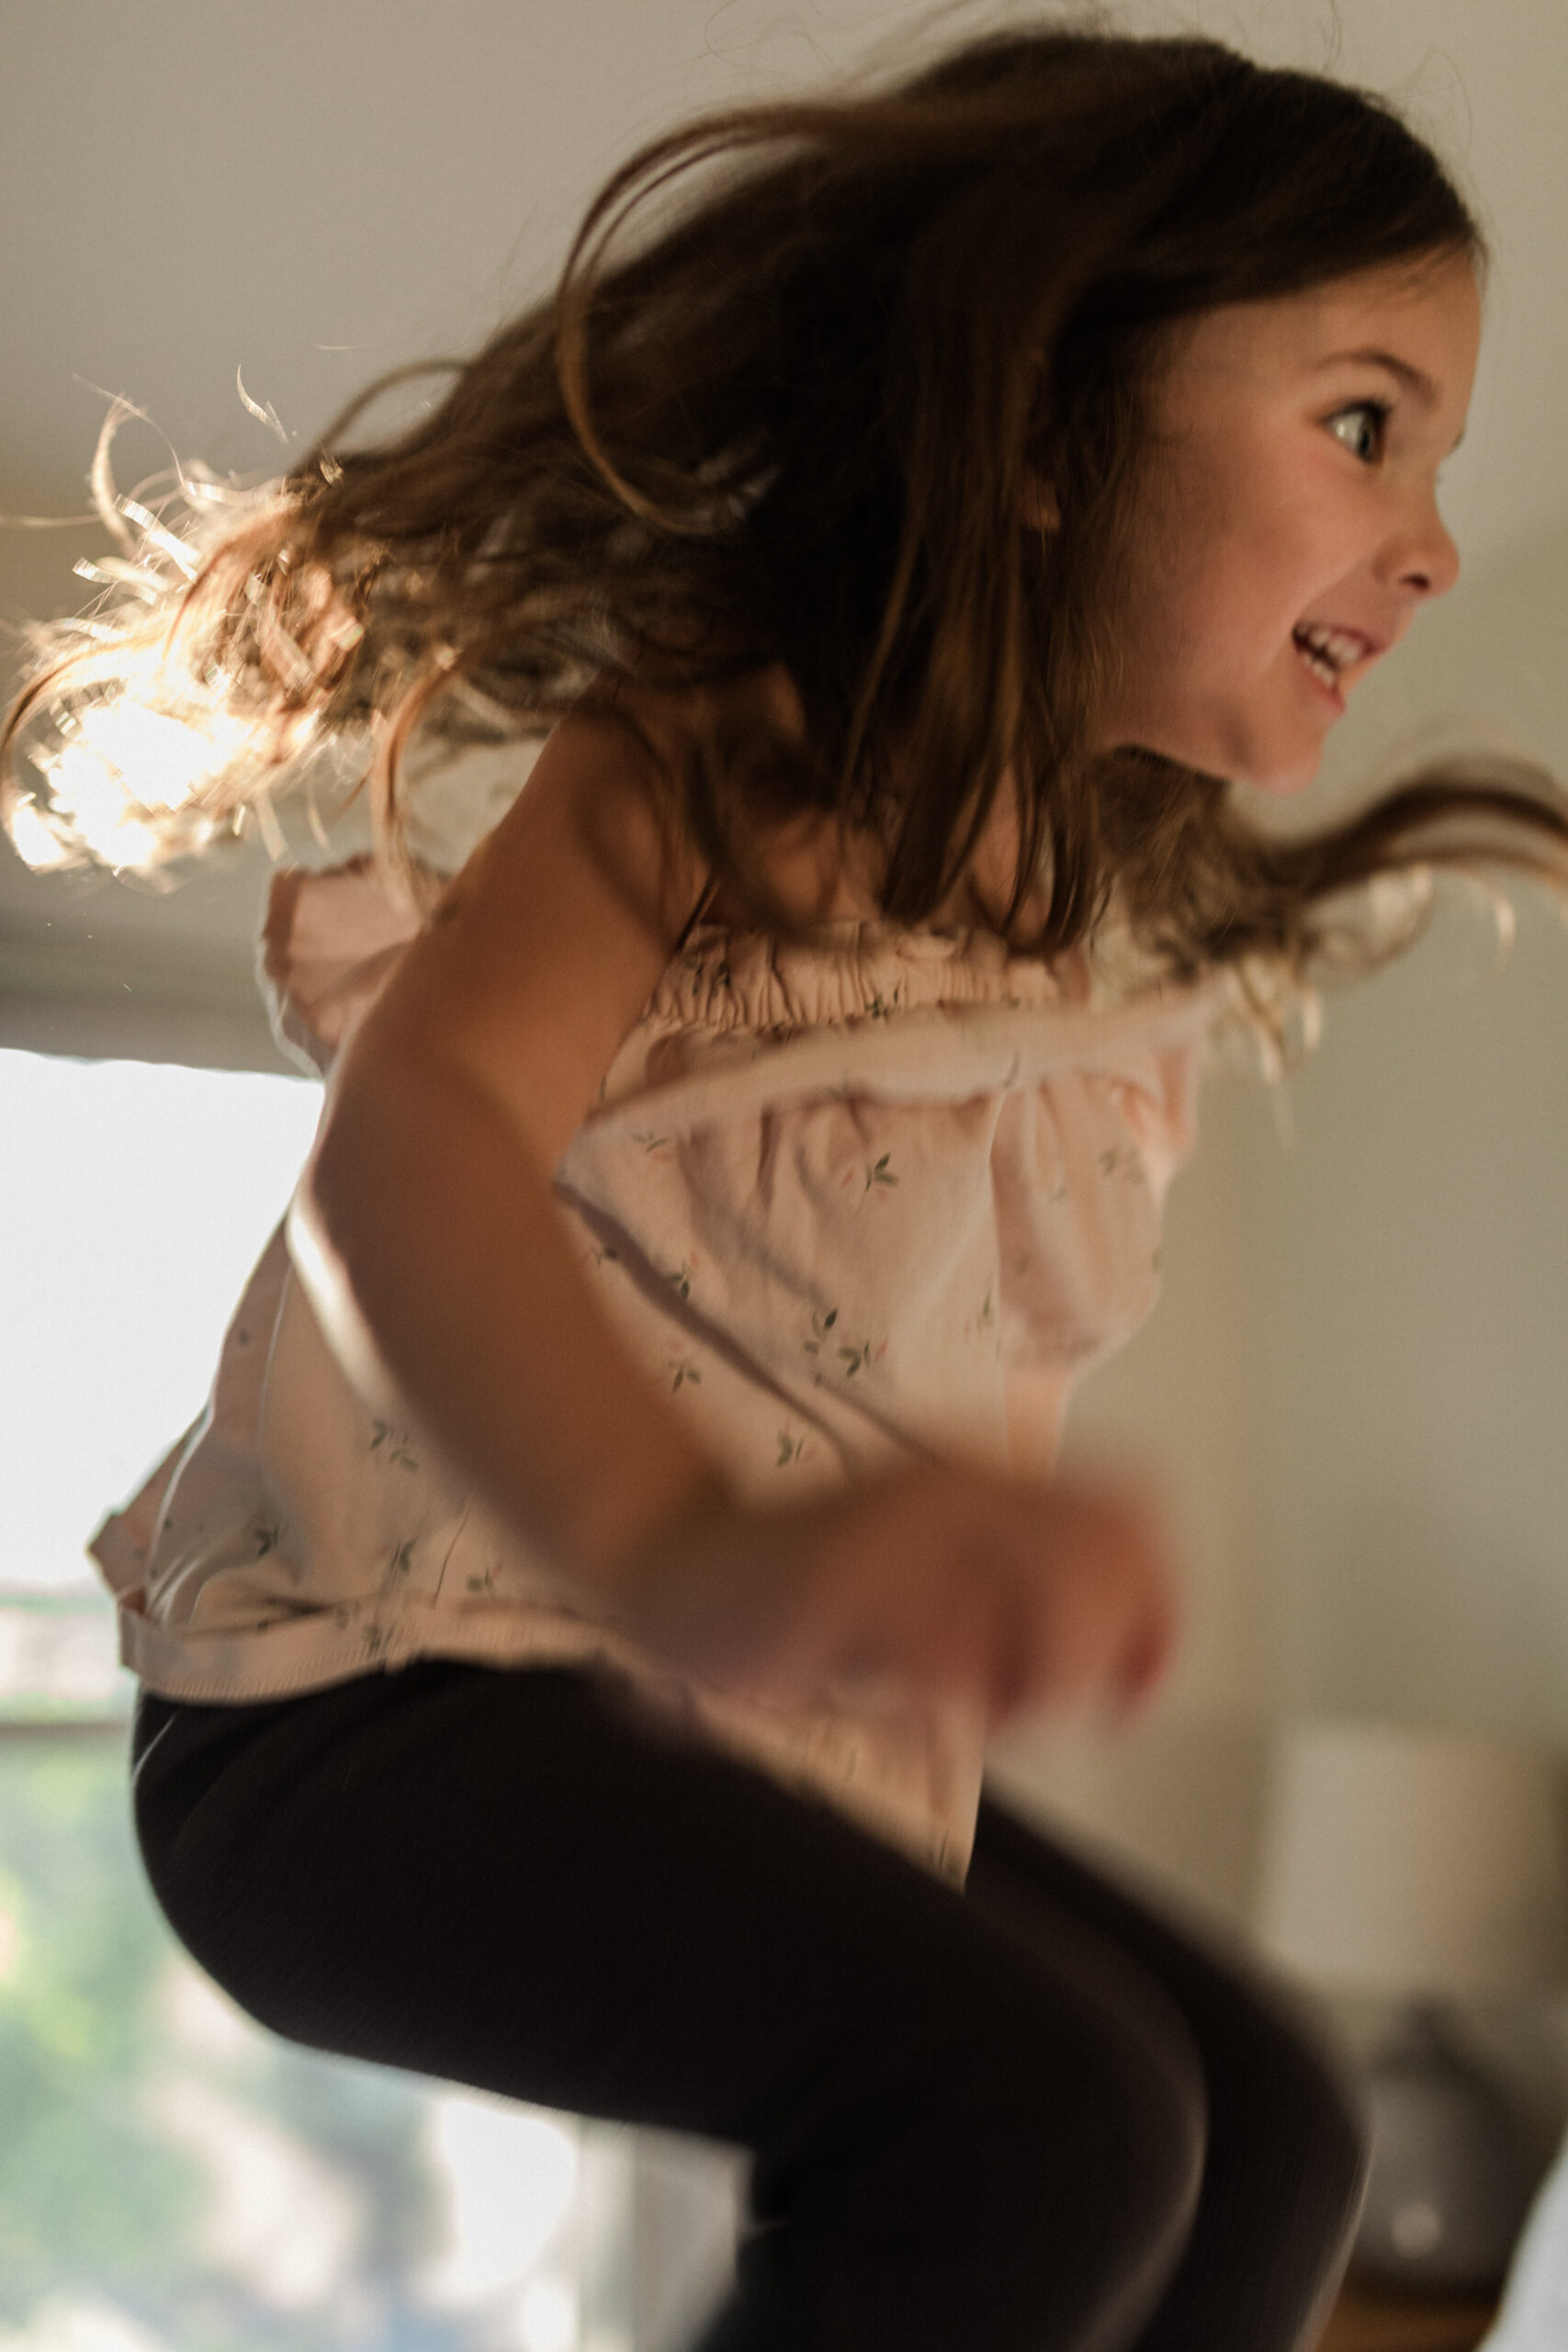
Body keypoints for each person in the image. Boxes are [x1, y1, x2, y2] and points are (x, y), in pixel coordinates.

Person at [7, 23, 1567, 2351]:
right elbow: (410, 1144)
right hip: (353, 1717)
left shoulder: (1072, 920)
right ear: (1046, 424)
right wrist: (684, 1541)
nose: (1432, 539)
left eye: (1435, 462)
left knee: (1265, 2121)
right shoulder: (738, 742)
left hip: (652, 1712)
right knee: (1048, 2117)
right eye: (1361, 423)